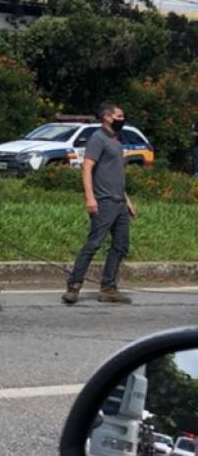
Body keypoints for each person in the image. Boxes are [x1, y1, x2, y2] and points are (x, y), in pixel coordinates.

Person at [62, 102, 136, 305]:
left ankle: (108, 288)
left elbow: (116, 175)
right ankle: (74, 286)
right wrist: (90, 198)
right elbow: (87, 169)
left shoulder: (116, 141)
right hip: (103, 202)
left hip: (119, 202)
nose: (122, 119)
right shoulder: (98, 139)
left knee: (121, 246)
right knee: (94, 243)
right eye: (119, 115)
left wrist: (127, 201)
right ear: (107, 117)